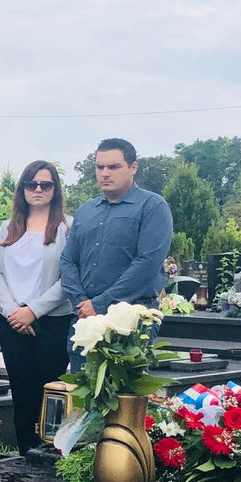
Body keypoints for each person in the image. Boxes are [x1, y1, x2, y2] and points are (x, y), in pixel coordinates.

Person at [60, 138, 173, 367]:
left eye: (113, 167)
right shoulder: (86, 210)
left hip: (131, 317)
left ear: (133, 167)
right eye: (100, 167)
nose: (105, 173)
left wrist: (101, 303)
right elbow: (68, 260)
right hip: (86, 317)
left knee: (123, 387)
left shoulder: (152, 206)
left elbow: (147, 263)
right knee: (82, 385)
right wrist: (82, 302)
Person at [0, 161, 75, 454]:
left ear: (55, 189)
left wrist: (33, 310)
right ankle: (25, 456)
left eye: (45, 184)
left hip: (51, 322)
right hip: (12, 322)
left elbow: (69, 278)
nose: (38, 189)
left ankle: (51, 454)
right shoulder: (7, 227)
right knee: (21, 392)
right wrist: (14, 312)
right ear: (23, 189)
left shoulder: (67, 227)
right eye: (32, 184)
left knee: (48, 393)